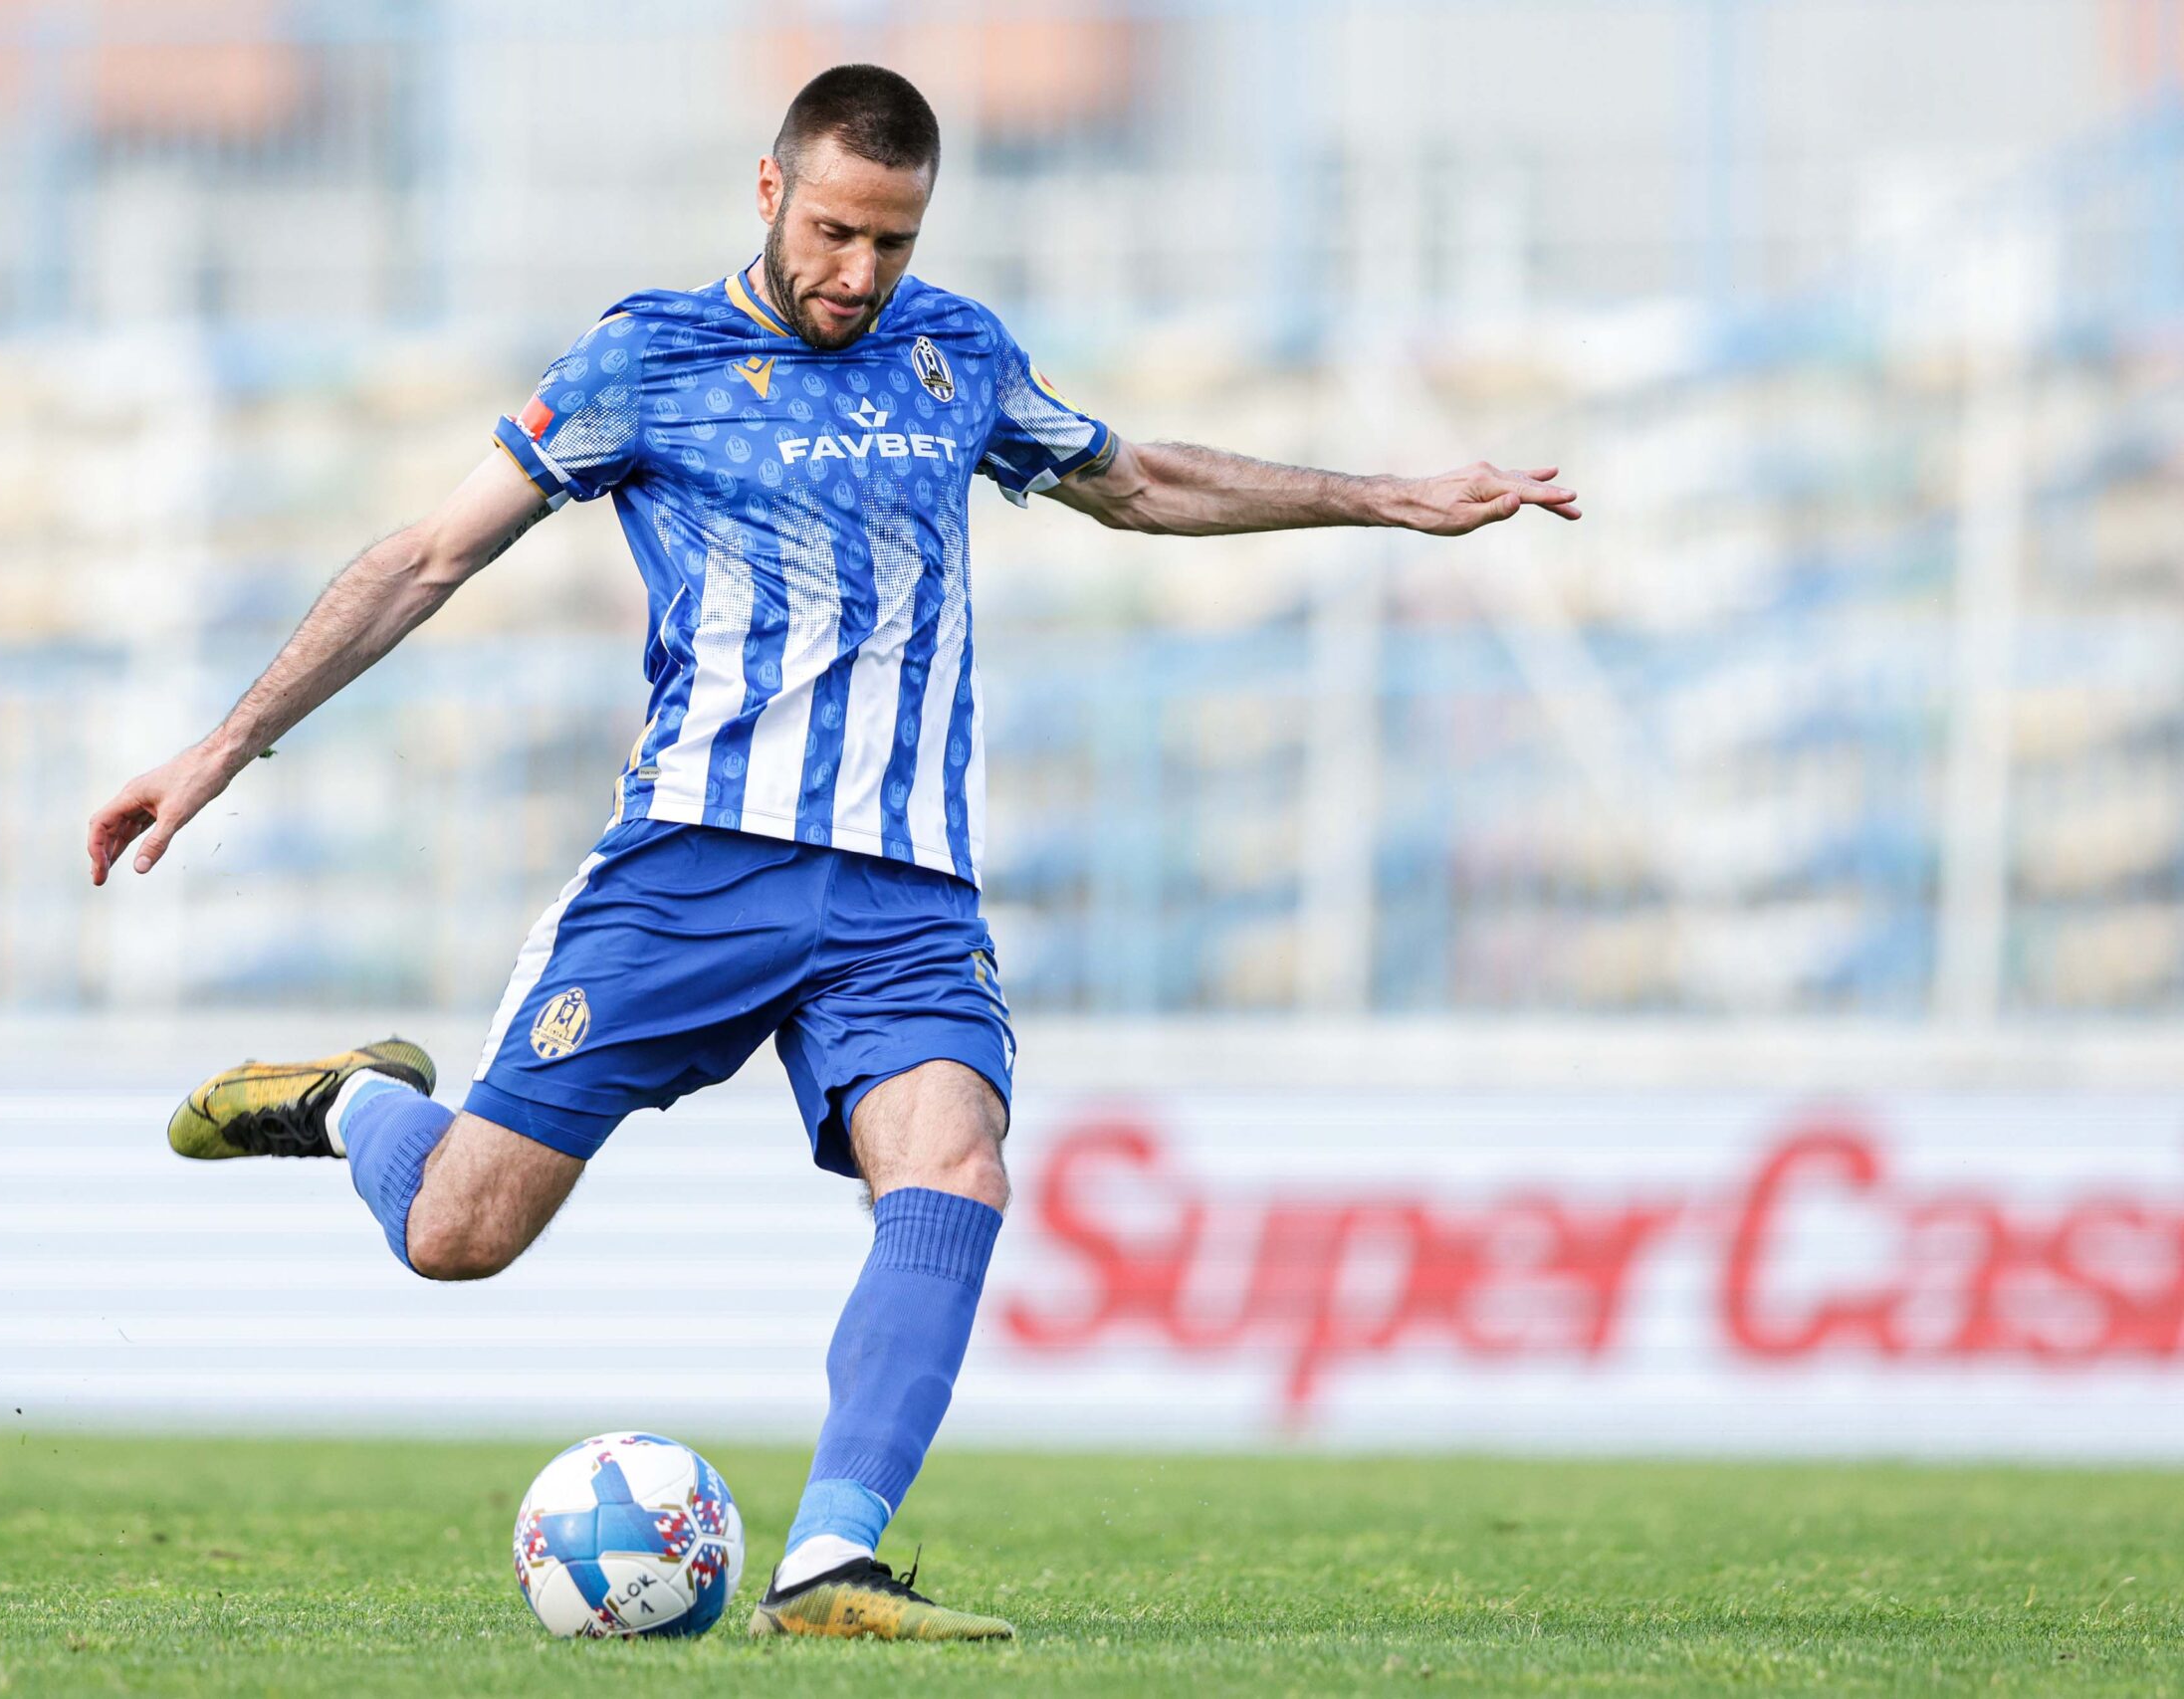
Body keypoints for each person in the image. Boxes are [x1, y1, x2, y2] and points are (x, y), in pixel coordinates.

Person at [85, 63, 1580, 1641]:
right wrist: (219, 747)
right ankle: (363, 1100)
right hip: (695, 866)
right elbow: (424, 560)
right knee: (461, 1234)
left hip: (905, 888)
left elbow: (1135, 482)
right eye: (834, 232)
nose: (857, 275)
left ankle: (829, 1563)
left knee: (957, 1164)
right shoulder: (646, 359)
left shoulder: (960, 357)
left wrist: (1388, 500)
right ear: (768, 190)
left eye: (893, 242)